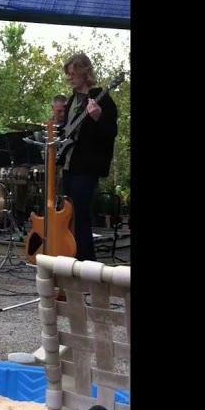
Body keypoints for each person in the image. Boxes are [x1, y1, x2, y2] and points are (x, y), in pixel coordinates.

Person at [59, 53, 118, 262]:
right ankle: (69, 256)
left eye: (73, 74)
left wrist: (97, 117)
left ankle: (86, 261)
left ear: (85, 73)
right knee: (67, 213)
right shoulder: (72, 100)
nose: (70, 78)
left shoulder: (101, 97)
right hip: (69, 164)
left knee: (81, 215)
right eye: (68, 74)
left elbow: (111, 132)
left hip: (87, 167)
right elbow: (68, 131)